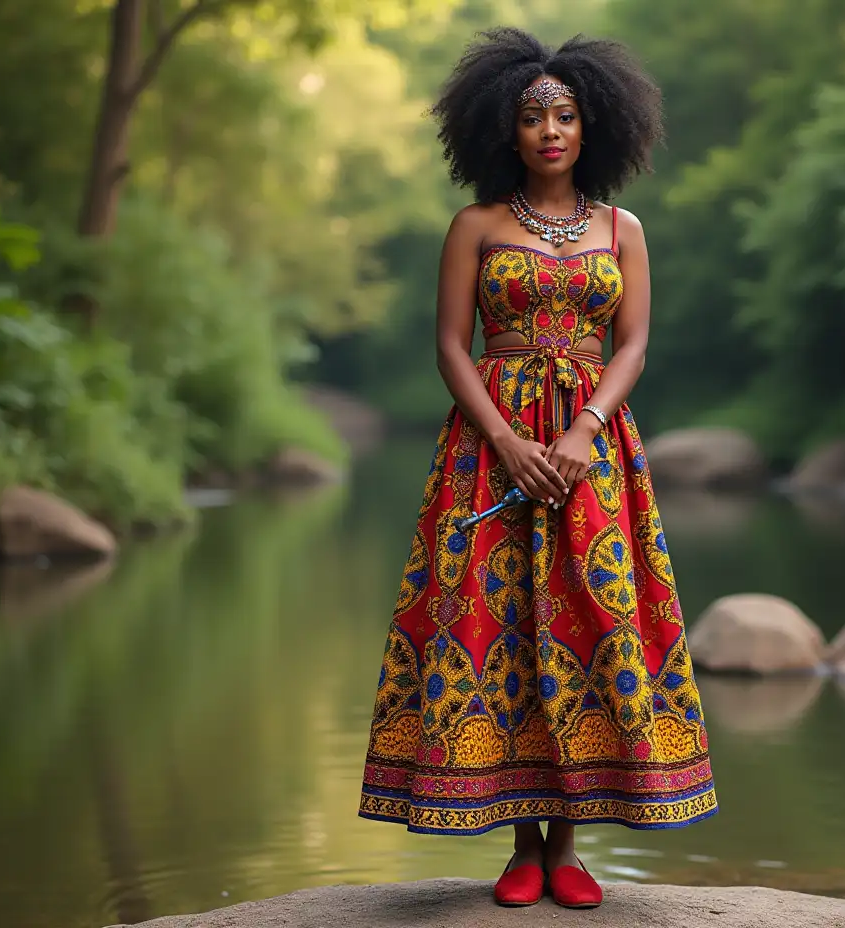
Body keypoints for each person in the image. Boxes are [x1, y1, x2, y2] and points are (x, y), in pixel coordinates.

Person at [358, 26, 717, 910]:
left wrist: (583, 428)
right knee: (503, 624)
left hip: (592, 449)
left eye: (565, 113)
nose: (550, 129)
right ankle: (519, 847)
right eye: (531, 116)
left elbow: (631, 345)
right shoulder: (475, 225)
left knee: (589, 623)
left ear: (593, 125)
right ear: (503, 130)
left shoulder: (620, 228)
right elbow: (449, 346)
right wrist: (509, 441)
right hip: (490, 445)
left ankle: (569, 848)